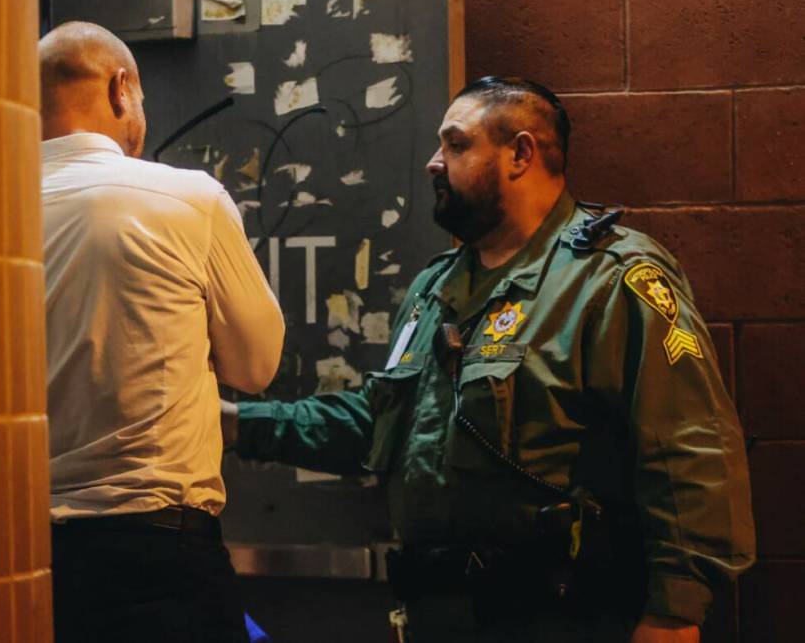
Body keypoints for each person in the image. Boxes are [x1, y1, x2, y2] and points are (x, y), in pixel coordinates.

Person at [222, 77, 755, 642]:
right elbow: (382, 426)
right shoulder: (437, 288)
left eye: (455, 145)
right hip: (439, 616)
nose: (434, 163)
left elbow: (689, 449)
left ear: (521, 153)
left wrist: (674, 615)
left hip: (565, 617)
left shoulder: (611, 278)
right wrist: (238, 425)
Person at [40, 21, 284, 643]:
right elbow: (256, 366)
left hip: (22, 556)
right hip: (158, 557)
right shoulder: (185, 199)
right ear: (122, 89)